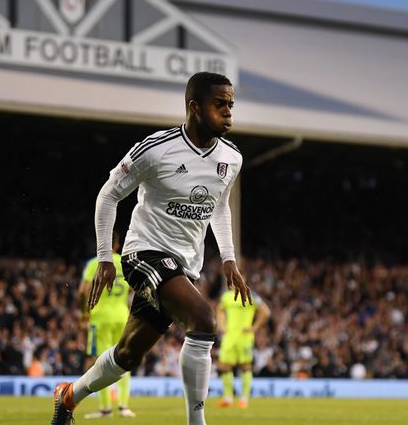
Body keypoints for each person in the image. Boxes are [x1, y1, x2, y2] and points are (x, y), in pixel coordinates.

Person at [51, 71, 252, 425]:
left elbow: (219, 206)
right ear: (194, 107)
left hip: (183, 264)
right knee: (204, 320)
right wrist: (103, 257)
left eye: (231, 105)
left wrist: (229, 257)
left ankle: (68, 396)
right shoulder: (156, 149)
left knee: (129, 354)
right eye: (219, 104)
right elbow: (108, 194)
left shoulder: (231, 158)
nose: (228, 112)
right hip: (143, 253)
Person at [78, 233, 135, 418]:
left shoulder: (94, 264)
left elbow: (82, 291)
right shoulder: (126, 263)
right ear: (118, 245)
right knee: (124, 359)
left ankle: (105, 408)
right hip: (121, 316)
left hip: (100, 318)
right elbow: (134, 288)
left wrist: (84, 313)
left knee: (100, 362)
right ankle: (124, 406)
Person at [215, 287, 270, 409]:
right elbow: (219, 310)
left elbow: (265, 311)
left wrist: (254, 327)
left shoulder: (251, 295)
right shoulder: (226, 296)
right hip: (229, 337)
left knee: (245, 367)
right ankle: (228, 398)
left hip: (244, 338)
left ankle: (244, 398)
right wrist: (221, 325)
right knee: (224, 366)